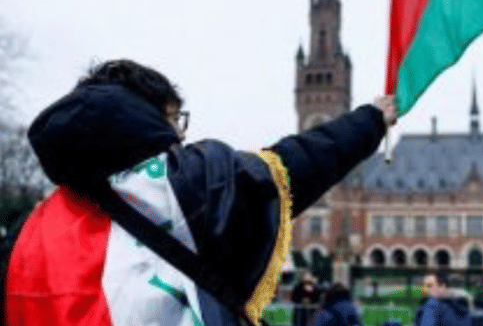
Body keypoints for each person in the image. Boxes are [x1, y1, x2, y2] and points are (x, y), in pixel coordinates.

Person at [4, 59, 397, 326]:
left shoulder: (30, 230)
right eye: (175, 118)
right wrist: (371, 120)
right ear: (143, 115)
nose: (182, 132)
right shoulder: (181, 183)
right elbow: (294, 165)